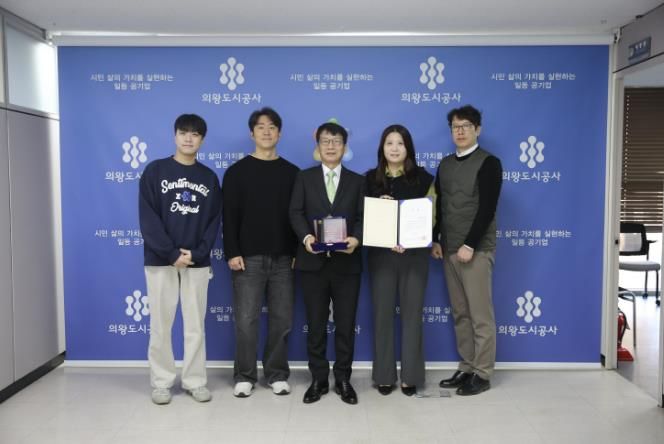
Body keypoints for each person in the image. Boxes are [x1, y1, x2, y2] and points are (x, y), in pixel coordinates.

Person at [139, 113, 221, 405]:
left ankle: (195, 381)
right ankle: (161, 382)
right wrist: (171, 253)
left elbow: (213, 223)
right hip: (161, 260)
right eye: (184, 132)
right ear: (174, 136)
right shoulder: (155, 171)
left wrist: (196, 253)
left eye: (195, 134)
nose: (188, 138)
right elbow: (148, 218)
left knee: (195, 325)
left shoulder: (208, 177)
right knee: (160, 325)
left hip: (196, 261)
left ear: (202, 140)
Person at [221, 107, 299, 398]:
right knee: (246, 321)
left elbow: (297, 217)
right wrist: (232, 251)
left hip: (284, 259)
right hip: (247, 259)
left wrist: (296, 252)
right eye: (261, 127)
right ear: (251, 133)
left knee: (282, 320)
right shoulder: (237, 172)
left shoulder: (292, 173)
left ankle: (276, 374)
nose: (267, 132)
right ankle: (244, 375)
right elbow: (229, 216)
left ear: (280, 133)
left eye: (272, 127)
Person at [289, 122, 364, 405]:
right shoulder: (304, 177)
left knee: (345, 324)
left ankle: (343, 378)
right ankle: (318, 379)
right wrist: (306, 237)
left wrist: (356, 238)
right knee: (316, 324)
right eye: (325, 141)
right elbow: (295, 212)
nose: (331, 146)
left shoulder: (358, 181)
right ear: (318, 146)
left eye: (336, 141)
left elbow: (363, 216)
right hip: (313, 263)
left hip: (347, 264)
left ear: (345, 146)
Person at [431, 105, 503, 396]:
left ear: (477, 129)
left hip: (476, 250)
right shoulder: (445, 165)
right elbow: (439, 206)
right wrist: (436, 239)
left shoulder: (489, 163)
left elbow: (487, 209)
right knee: (460, 313)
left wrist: (470, 244)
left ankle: (483, 373)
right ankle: (467, 366)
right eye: (455, 127)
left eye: (466, 126)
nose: (460, 131)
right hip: (449, 249)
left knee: (480, 314)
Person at [365, 124, 434, 396]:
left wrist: (413, 239)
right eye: (389, 143)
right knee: (382, 315)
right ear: (382, 148)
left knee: (412, 316)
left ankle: (411, 376)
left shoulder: (424, 179)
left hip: (414, 256)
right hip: (381, 256)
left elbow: (433, 217)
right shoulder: (369, 180)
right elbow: (362, 219)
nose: (394, 148)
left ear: (408, 148)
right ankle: (384, 375)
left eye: (400, 143)